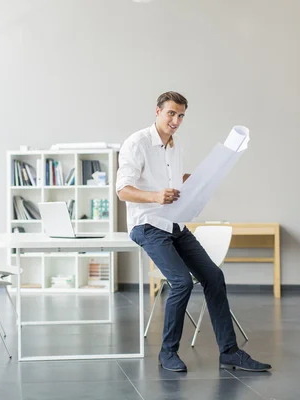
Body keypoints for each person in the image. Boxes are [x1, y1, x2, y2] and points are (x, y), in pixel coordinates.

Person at [116, 91, 271, 373]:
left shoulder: (176, 146)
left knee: (214, 276)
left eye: (181, 115)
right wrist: (155, 197)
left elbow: (174, 183)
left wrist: (193, 181)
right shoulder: (137, 143)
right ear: (158, 111)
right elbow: (123, 191)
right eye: (171, 113)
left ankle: (230, 352)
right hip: (147, 225)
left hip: (175, 223)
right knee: (182, 282)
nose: (176, 120)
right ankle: (167, 352)